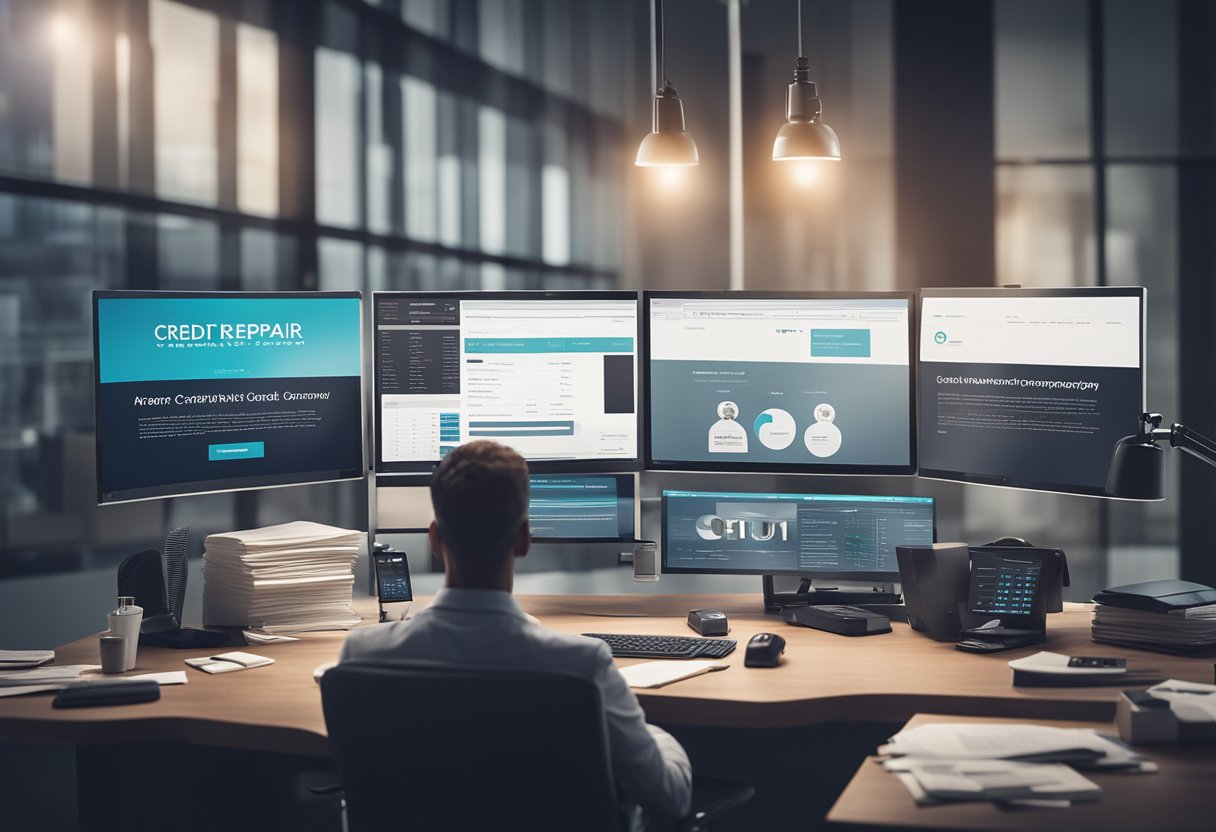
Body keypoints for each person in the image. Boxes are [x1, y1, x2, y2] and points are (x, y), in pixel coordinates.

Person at [339, 440, 693, 825]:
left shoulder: (363, 655)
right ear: (524, 539)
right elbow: (669, 796)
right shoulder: (581, 664)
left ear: (436, 540)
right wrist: (651, 734)